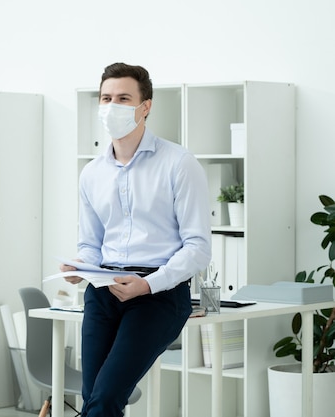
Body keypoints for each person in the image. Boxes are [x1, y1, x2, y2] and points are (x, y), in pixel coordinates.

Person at [61, 63, 211, 417]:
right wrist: (81, 267)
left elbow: (198, 247)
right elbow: (90, 243)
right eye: (106, 98)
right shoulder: (92, 173)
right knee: (93, 396)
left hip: (158, 295)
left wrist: (147, 285)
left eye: (124, 98)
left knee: (106, 398)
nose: (112, 106)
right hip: (103, 290)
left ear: (146, 106)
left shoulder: (178, 163)